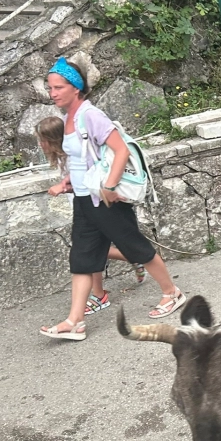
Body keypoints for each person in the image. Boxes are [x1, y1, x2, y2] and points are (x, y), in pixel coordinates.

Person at [39, 57, 186, 341]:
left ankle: (172, 293)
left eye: (59, 87)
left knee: (135, 248)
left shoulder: (90, 115)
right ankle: (75, 322)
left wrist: (108, 185)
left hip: (106, 199)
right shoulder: (69, 117)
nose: (53, 93)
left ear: (76, 88)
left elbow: (120, 151)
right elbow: (84, 160)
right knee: (81, 259)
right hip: (85, 200)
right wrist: (70, 182)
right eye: (50, 88)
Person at [35, 117, 147, 318]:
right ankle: (134, 259)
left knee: (90, 252)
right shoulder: (67, 157)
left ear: (52, 140)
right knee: (92, 251)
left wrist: (62, 187)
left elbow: (88, 180)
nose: (40, 145)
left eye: (42, 140)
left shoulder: (75, 155)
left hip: (95, 205)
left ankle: (100, 295)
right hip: (84, 207)